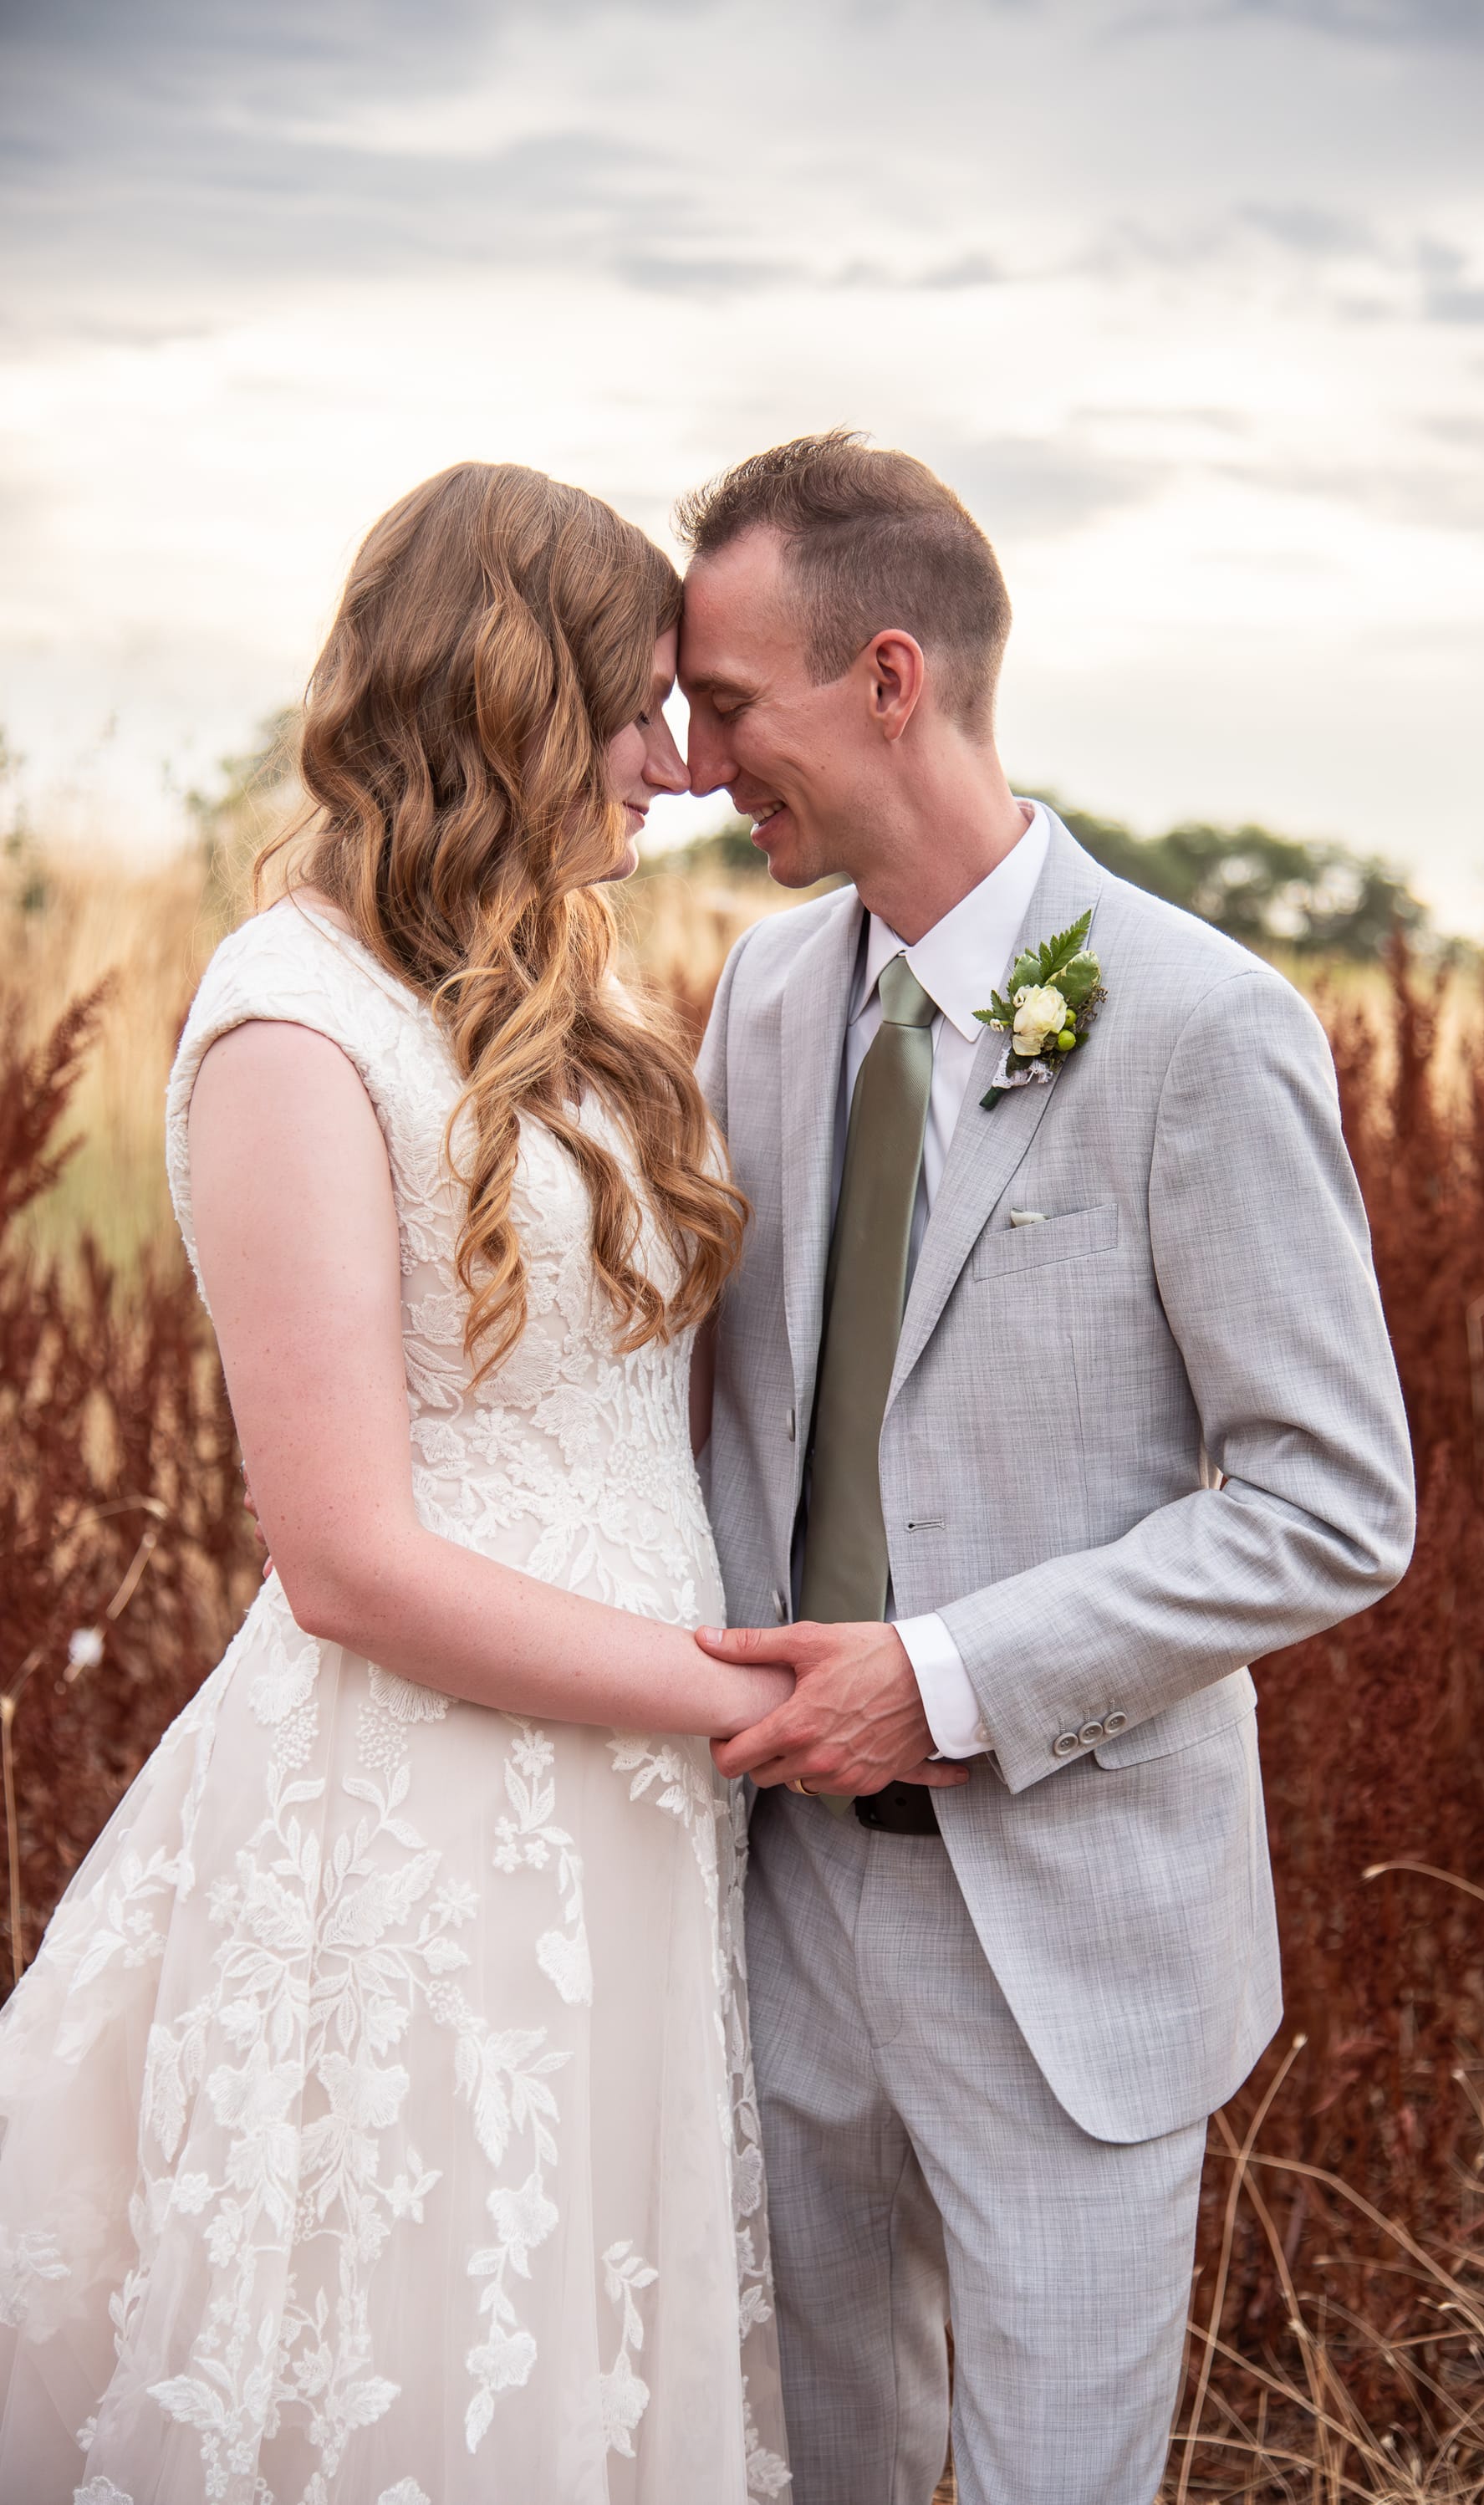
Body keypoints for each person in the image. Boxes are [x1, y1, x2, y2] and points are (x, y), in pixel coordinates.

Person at [0, 462, 793, 2504]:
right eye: (635, 707)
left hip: (628, 1804)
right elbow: (346, 1558)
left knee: (585, 2344)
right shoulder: (292, 1027)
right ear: (512, 697)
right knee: (426, 2350)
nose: (676, 763)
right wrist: (747, 1701)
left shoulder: (569, 1003)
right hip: (431, 1804)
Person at [679, 431, 1417, 2505]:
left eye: (730, 704)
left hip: (1068, 1935)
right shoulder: (761, 995)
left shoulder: (1200, 1022)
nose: (702, 761)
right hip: (775, 1904)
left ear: (887, 677)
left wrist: (948, 1677)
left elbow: (1331, 1502)